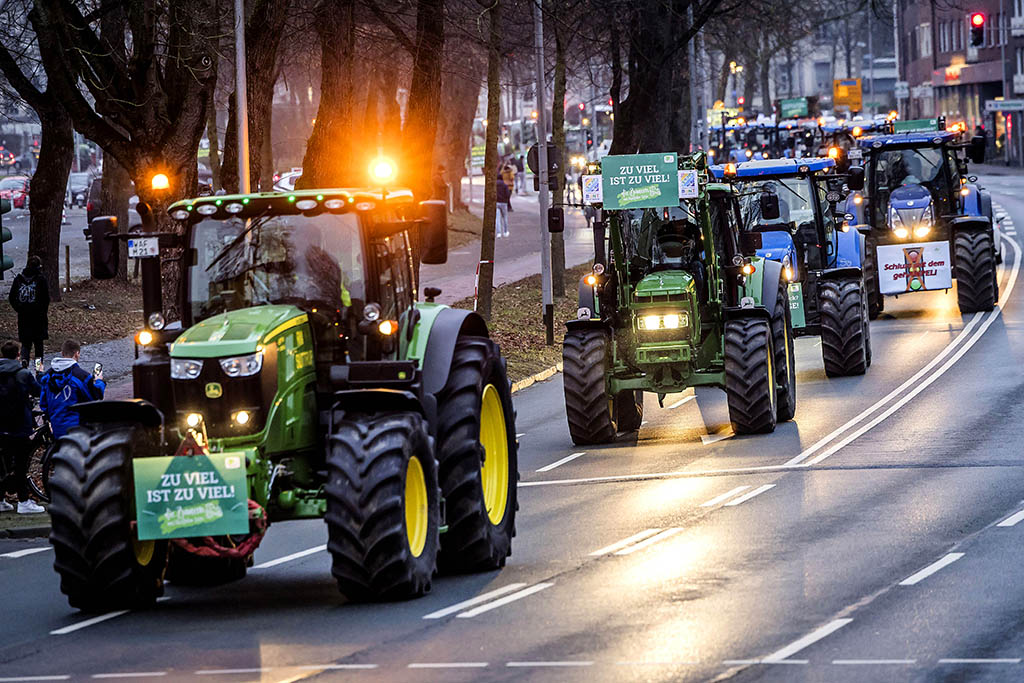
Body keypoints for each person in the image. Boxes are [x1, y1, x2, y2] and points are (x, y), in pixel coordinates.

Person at [0, 340, 44, 514]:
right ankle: (24, 501)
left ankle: (1, 500)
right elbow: (38, 391)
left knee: (3, 463)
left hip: (1, 426)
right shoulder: (23, 373)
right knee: (21, 465)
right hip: (19, 426)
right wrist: (39, 374)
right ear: (18, 355)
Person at [40, 339, 106, 439]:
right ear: (77, 353)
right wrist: (99, 382)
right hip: (77, 430)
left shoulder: (48, 375)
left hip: (57, 428)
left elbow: (43, 403)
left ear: (62, 353)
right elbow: (95, 397)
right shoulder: (82, 376)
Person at [7, 255, 49, 367]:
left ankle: (24, 365)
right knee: (38, 345)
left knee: (26, 344)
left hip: (24, 317)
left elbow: (11, 297)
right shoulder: (41, 280)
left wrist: (19, 309)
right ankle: (38, 367)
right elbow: (46, 299)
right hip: (38, 318)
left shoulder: (19, 279)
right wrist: (42, 311)